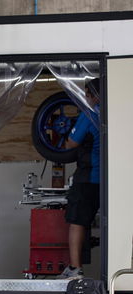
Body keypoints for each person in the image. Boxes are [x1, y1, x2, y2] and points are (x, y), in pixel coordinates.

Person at [58, 78, 100, 279]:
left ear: (93, 95)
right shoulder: (113, 113)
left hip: (88, 178)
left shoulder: (90, 114)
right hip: (108, 180)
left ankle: (75, 269)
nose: (85, 98)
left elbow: (70, 144)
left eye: (86, 94)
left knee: (77, 222)